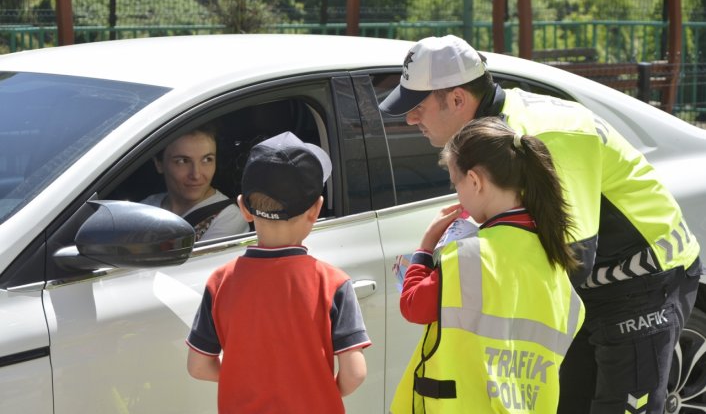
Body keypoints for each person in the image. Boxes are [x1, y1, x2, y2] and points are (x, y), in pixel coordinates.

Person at [380, 34, 703, 414]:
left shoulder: (545, 133)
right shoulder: (488, 135)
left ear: (456, 99)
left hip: (644, 280)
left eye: (417, 105)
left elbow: (574, 255)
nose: (411, 117)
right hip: (591, 287)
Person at [389, 117, 585, 413]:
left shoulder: (469, 256)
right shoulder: (554, 261)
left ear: (475, 181)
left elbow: (413, 305)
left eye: (457, 184)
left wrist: (426, 247)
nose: (458, 195)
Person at [185, 131, 371, 413]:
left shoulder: (220, 282)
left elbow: (198, 366)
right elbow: (355, 373)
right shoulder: (332, 283)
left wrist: (247, 381)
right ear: (315, 210)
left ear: (244, 209)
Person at [142, 125, 249, 241]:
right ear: (159, 164)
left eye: (207, 159)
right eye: (183, 161)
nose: (196, 175)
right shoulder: (146, 207)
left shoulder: (229, 218)